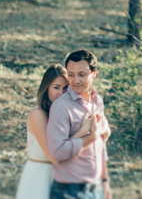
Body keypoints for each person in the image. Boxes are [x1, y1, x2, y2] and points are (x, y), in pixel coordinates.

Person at [15, 64, 103, 199]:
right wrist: (83, 131)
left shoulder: (63, 113)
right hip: (41, 175)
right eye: (56, 87)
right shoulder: (38, 114)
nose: (61, 93)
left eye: (66, 88)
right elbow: (53, 154)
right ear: (46, 88)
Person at [47, 50, 112, 199]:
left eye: (81, 74)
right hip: (69, 191)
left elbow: (100, 145)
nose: (75, 80)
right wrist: (91, 137)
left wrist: (104, 181)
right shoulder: (61, 107)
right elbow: (56, 153)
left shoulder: (97, 100)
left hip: (95, 189)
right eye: (71, 75)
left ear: (94, 73)